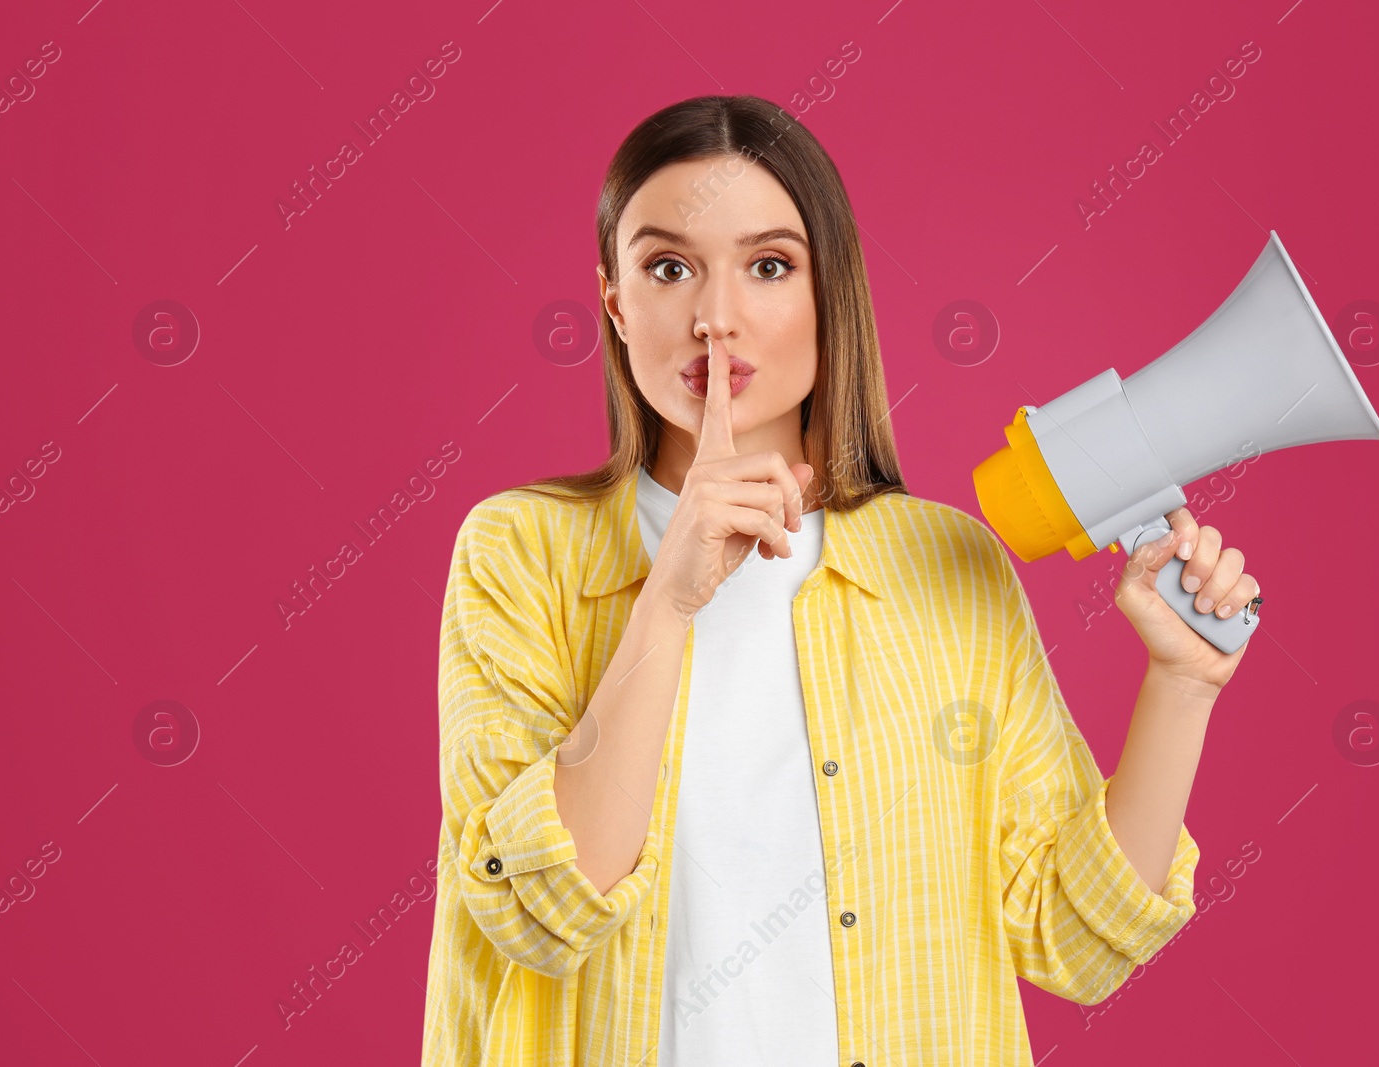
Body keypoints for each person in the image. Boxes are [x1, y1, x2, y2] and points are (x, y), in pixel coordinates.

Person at [421, 94, 1260, 1067]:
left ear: (831, 295)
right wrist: (669, 595)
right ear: (614, 299)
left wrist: (1182, 686)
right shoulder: (519, 551)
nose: (715, 318)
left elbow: (1071, 936)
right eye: (668, 267)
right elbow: (538, 909)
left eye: (768, 265)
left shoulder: (950, 568)